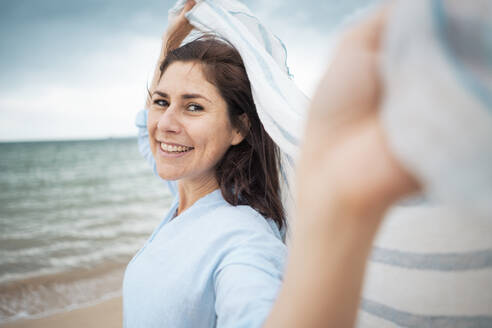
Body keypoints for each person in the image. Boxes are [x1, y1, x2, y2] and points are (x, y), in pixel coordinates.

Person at [122, 1, 287, 327]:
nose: (165, 123)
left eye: (194, 107)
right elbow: (148, 130)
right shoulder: (187, 189)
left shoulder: (245, 241)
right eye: (162, 102)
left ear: (239, 128)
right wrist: (171, 41)